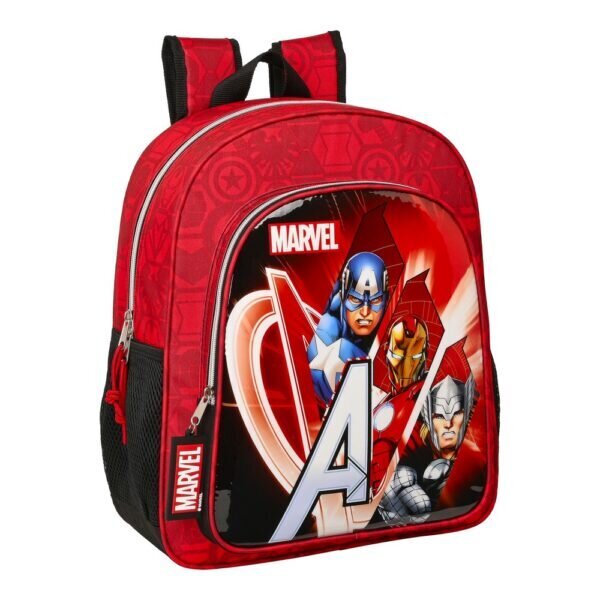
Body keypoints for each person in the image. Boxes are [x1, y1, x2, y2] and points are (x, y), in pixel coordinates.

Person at [307, 252, 388, 404]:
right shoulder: (329, 326)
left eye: (375, 300)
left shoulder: (389, 322)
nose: (365, 312)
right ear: (343, 296)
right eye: (355, 299)